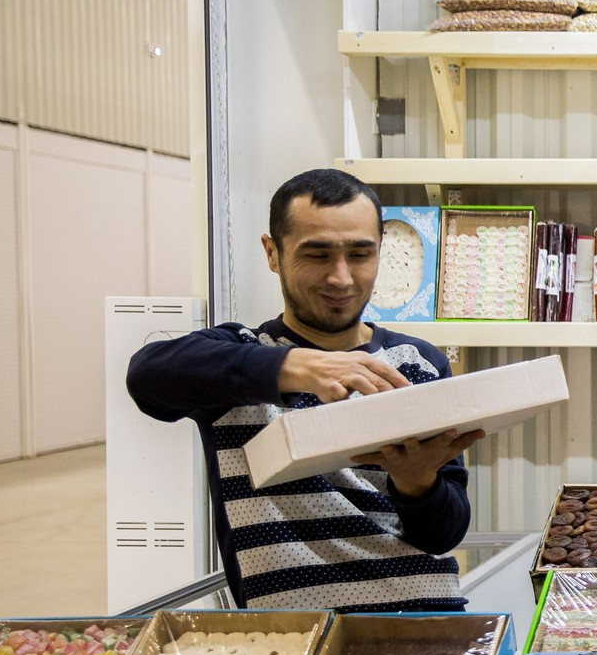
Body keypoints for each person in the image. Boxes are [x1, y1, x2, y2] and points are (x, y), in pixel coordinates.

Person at [127, 169, 482, 611]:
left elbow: (444, 535)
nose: (341, 278)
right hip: (291, 634)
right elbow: (147, 376)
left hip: (426, 622)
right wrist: (291, 366)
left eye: (359, 254)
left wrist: (417, 483)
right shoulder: (244, 358)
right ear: (272, 253)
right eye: (316, 255)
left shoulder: (419, 363)